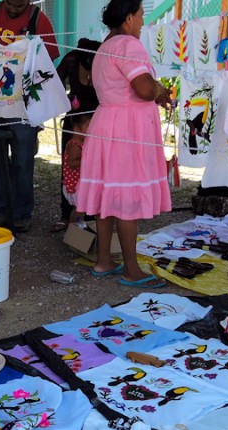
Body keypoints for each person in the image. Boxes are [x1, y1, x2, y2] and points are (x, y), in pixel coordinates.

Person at [75, 0, 172, 288]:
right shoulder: (128, 45)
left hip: (107, 123)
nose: (143, 22)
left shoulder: (105, 47)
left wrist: (156, 90)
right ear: (129, 18)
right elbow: (143, 89)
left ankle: (104, 260)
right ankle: (132, 269)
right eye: (141, 15)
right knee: (126, 199)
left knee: (109, 196)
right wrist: (160, 89)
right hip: (126, 131)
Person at [0, 0, 59, 234]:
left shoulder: (37, 18)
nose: (13, 9)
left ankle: (21, 212)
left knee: (22, 159)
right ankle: (3, 209)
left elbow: (49, 57)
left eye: (19, 6)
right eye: (10, 4)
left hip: (23, 105)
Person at [53, 37, 100, 232]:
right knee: (70, 168)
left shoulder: (105, 61)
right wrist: (67, 99)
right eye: (88, 64)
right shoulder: (72, 60)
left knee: (95, 169)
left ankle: (91, 213)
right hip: (75, 124)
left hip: (98, 124)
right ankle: (67, 214)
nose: (91, 69)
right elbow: (53, 85)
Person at [61, 112, 91, 226]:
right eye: (88, 127)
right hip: (74, 184)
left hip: (80, 182)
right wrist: (88, 161)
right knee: (79, 209)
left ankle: (77, 229)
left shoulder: (83, 143)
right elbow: (71, 163)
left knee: (81, 209)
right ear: (76, 129)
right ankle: (73, 229)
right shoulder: (74, 144)